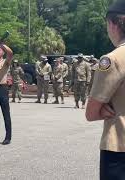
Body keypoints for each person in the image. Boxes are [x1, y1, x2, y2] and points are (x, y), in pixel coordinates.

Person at [86, 1, 125, 179]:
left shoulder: (111, 60)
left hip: (119, 145)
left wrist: (102, 108)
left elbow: (91, 113)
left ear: (112, 24)